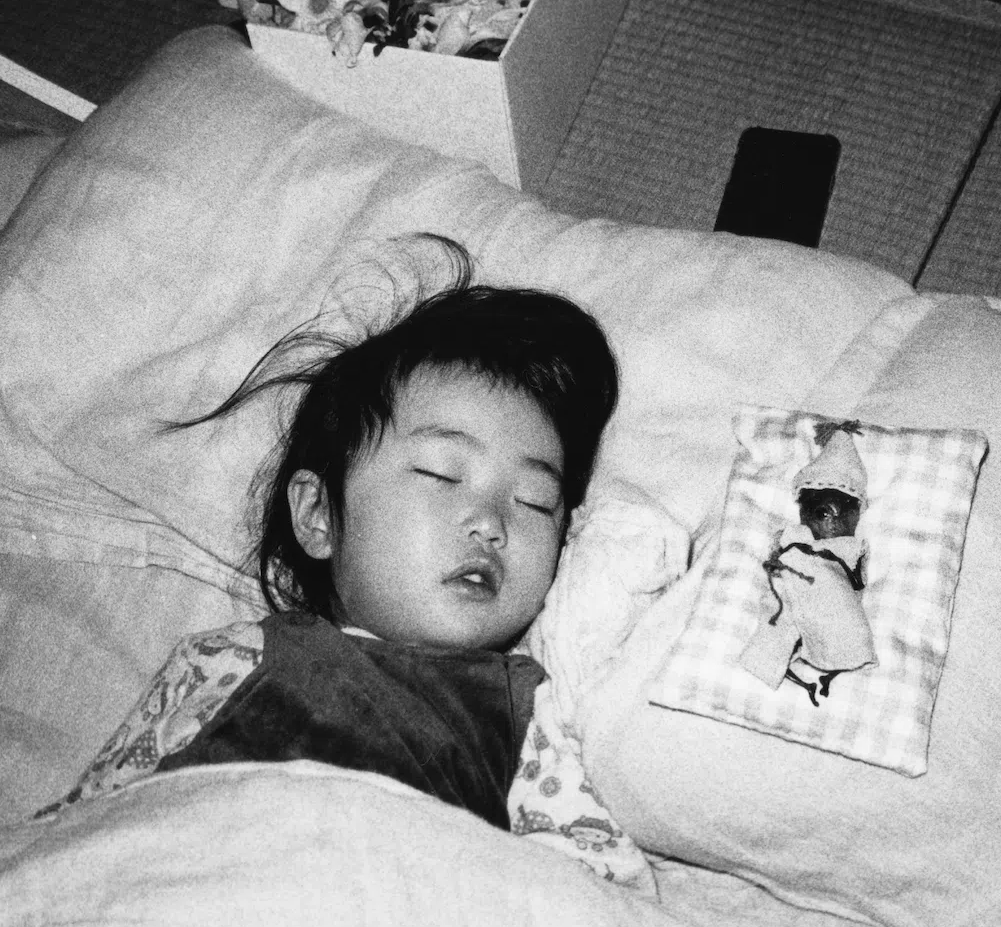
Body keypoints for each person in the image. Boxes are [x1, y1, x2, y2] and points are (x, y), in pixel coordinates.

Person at [48, 241, 637, 871]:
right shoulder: (229, 660)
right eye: (441, 474)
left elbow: (591, 889)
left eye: (534, 501)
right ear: (320, 515)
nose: (491, 523)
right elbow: (86, 825)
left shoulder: (527, 715)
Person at [739, 422, 877, 706]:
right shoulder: (796, 537)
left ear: (854, 515)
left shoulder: (851, 547)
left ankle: (831, 661)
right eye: (818, 512)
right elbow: (779, 552)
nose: (827, 523)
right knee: (779, 625)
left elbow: (854, 579)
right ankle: (784, 666)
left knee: (838, 621)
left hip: (831, 598)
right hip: (792, 591)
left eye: (835, 513)